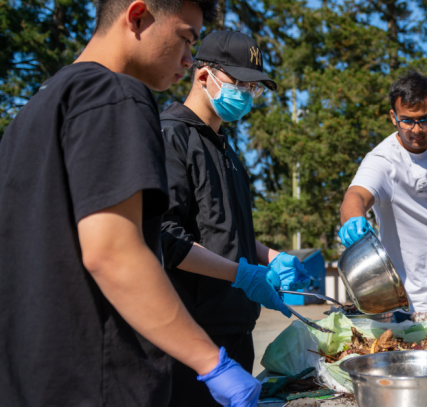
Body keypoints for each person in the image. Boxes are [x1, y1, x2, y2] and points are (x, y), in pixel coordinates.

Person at [0, 1, 268, 406]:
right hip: (92, 380)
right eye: (185, 38)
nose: (189, 58)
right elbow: (113, 253)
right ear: (137, 16)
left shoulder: (38, 106)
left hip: (24, 376)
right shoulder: (116, 94)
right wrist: (210, 362)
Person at [158, 30, 310, 406]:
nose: (245, 94)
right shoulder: (171, 137)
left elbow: (227, 230)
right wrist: (240, 275)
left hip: (237, 331)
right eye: (238, 83)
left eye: (252, 87)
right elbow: (166, 238)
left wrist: (272, 258)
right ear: (203, 75)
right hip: (193, 338)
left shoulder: (225, 148)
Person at [339, 70, 427, 325]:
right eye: (407, 120)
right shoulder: (383, 162)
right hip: (416, 303)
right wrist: (352, 220)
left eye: (425, 119)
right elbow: (355, 195)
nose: (417, 130)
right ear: (393, 117)